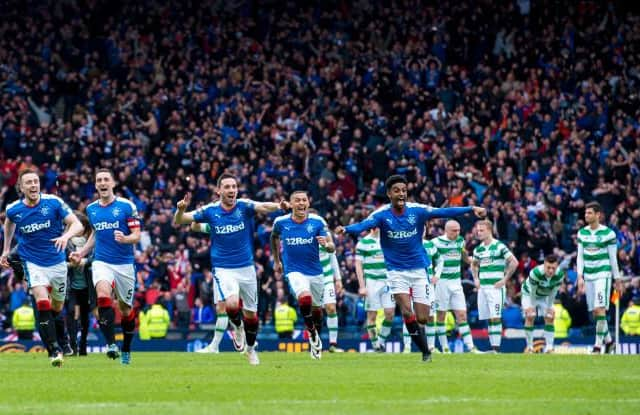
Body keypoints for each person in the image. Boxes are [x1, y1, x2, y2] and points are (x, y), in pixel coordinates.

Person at [335, 175, 486, 362]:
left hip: (419, 271)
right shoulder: (382, 215)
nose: (401, 194)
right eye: (397, 190)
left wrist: (472, 208)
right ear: (389, 193)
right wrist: (346, 229)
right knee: (406, 311)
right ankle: (425, 352)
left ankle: (420, 340)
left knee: (422, 318)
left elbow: (445, 211)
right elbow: (363, 225)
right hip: (396, 271)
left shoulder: (418, 211)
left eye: (404, 190)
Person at [174, 172, 289, 365]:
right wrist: (181, 210)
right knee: (232, 304)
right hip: (223, 268)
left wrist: (279, 206)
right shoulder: (211, 211)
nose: (231, 190)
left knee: (251, 314)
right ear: (219, 190)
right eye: (227, 187)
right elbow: (181, 220)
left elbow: (262, 206)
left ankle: (251, 350)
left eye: (234, 187)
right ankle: (236, 329)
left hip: (247, 268)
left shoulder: (243, 206)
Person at [1, 169, 84, 366]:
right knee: (42, 303)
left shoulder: (53, 202)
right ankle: (54, 350)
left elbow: (77, 225)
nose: (33, 185)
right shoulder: (14, 209)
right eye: (28, 183)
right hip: (33, 263)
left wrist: (65, 237)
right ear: (21, 187)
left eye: (35, 182)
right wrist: (6, 249)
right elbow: (9, 223)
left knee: (56, 307)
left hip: (57, 264)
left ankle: (62, 340)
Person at [70, 169, 141, 365]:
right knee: (103, 295)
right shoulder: (91, 209)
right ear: (95, 185)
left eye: (106, 179)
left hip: (124, 264)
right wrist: (82, 252)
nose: (102, 183)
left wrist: (125, 238)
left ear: (113, 183)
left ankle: (126, 347)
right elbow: (95, 234)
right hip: (101, 261)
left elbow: (137, 235)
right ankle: (111, 345)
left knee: (126, 310)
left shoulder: (127, 206)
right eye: (99, 180)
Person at [271, 190, 335, 360]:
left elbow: (331, 246)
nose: (301, 203)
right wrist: (277, 260)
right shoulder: (281, 222)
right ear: (291, 204)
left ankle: (316, 343)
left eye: (304, 200)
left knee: (317, 311)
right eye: (297, 200)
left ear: (308, 202)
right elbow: (274, 237)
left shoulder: (317, 222)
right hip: (294, 270)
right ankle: (312, 333)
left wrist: (327, 245)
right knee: (304, 297)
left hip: (315, 272)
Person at [576, 201, 619, 354]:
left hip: (603, 274)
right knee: (595, 312)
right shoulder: (582, 233)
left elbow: (613, 258)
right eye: (585, 213)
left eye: (589, 213)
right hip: (589, 276)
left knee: (600, 309)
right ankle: (609, 341)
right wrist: (580, 276)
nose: (586, 215)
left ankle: (597, 345)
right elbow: (580, 257)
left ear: (598, 215)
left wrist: (617, 279)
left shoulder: (608, 234)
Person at [430, 220, 479, 353]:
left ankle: (471, 347)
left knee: (462, 315)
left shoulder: (460, 240)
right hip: (441, 284)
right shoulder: (435, 243)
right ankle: (445, 348)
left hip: (456, 283)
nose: (457, 233)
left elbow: (462, 253)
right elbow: (428, 260)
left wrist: (470, 260)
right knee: (441, 316)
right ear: (446, 230)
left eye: (458, 230)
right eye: (454, 231)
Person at [471, 219, 518, 353]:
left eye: (482, 230)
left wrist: (505, 279)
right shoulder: (478, 249)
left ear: (489, 230)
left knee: (495, 316)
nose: (479, 233)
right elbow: (474, 264)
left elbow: (514, 262)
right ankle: (493, 349)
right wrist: (476, 279)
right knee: (489, 319)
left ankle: (496, 349)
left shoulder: (499, 246)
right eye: (478, 230)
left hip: (495, 288)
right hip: (483, 289)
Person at [189, 222, 230, 354]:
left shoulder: (232, 229)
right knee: (223, 309)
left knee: (235, 309)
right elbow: (194, 226)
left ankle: (246, 339)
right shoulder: (217, 228)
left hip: (233, 269)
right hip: (222, 271)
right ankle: (215, 346)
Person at [354, 228, 394, 352]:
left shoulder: (389, 240)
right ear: (372, 227)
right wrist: (362, 286)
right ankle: (376, 346)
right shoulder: (363, 243)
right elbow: (358, 265)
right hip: (371, 282)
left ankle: (380, 342)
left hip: (388, 281)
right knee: (372, 315)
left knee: (390, 313)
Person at [66, 211, 95, 356]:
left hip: (87, 286)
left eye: (81, 226)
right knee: (70, 312)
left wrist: (85, 261)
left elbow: (96, 259)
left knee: (85, 317)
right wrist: (69, 265)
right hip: (71, 286)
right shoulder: (65, 243)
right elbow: (59, 263)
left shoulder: (92, 243)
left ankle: (83, 344)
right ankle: (72, 346)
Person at [521, 255, 565, 353]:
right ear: (544, 265)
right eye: (548, 267)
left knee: (550, 316)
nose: (550, 271)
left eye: (553, 268)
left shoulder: (560, 275)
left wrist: (549, 307)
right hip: (529, 294)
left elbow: (554, 292)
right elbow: (533, 291)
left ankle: (549, 347)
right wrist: (531, 306)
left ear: (557, 267)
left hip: (545, 296)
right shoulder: (535, 273)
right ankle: (529, 347)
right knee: (530, 316)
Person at [319, 241, 343, 352]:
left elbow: (333, 258)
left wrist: (338, 279)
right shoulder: (303, 235)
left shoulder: (324, 235)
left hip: (327, 278)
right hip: (312, 279)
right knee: (315, 311)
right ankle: (315, 344)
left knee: (331, 308)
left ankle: (333, 344)